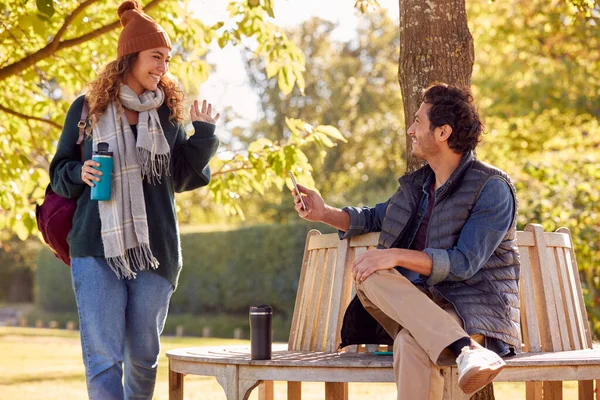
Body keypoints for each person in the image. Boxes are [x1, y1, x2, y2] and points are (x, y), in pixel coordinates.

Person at [292, 83, 519, 398]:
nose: (411, 130)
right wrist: (323, 213)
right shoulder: (416, 187)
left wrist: (396, 256)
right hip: (412, 303)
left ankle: (466, 345)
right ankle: (465, 350)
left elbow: (464, 262)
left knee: (411, 342)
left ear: (443, 132)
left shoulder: (491, 187)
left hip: (468, 308)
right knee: (368, 270)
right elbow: (373, 217)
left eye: (418, 122)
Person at [49, 1, 219, 398]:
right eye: (155, 57)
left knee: (143, 357)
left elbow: (180, 178)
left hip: (154, 249)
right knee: (104, 358)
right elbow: (59, 174)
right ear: (130, 56)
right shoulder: (86, 108)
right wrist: (80, 172)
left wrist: (205, 135)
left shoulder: (167, 113)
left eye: (167, 59)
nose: (163, 66)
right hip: (95, 246)